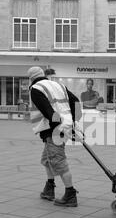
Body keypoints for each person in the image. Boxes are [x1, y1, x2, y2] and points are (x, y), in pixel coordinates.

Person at [28, 67, 82, 207]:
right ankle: (49, 187)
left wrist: (59, 125)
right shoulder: (58, 85)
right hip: (61, 126)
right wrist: (74, 121)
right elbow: (75, 100)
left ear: (31, 78)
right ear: (43, 75)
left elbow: (48, 111)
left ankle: (70, 194)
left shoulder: (36, 88)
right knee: (47, 159)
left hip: (54, 129)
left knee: (58, 161)